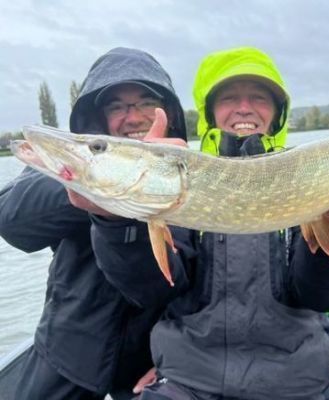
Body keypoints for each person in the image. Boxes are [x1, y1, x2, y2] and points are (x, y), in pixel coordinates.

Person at [90, 46, 329, 400]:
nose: (244, 107)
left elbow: (326, 297)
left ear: (277, 113)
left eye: (259, 97)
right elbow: (153, 291)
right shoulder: (181, 182)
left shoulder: (310, 177)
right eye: (229, 97)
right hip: (187, 382)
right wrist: (114, 220)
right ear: (210, 112)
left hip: (294, 384)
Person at [0, 47, 188, 399]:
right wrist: (94, 189)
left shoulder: (184, 183)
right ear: (98, 119)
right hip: (65, 355)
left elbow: (164, 288)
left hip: (146, 368)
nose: (132, 117)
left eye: (146, 102)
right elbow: (11, 221)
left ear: (169, 112)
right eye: (116, 106)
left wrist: (131, 206)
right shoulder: (75, 166)